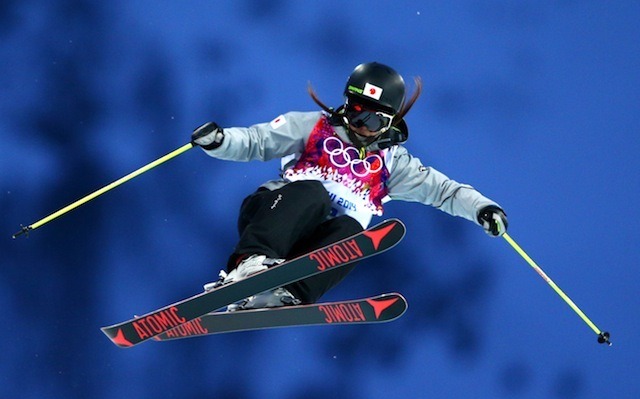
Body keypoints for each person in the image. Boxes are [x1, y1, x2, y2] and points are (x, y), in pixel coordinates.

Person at [191, 62, 507, 310]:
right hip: (275, 214)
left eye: (373, 121)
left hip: (311, 248)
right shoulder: (314, 126)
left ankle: (287, 293)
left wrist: (482, 208)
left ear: (391, 123)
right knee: (314, 193)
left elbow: (444, 191)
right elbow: (256, 141)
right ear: (345, 105)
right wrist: (220, 141)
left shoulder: (393, 163)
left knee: (353, 234)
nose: (361, 127)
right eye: (356, 114)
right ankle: (250, 264)